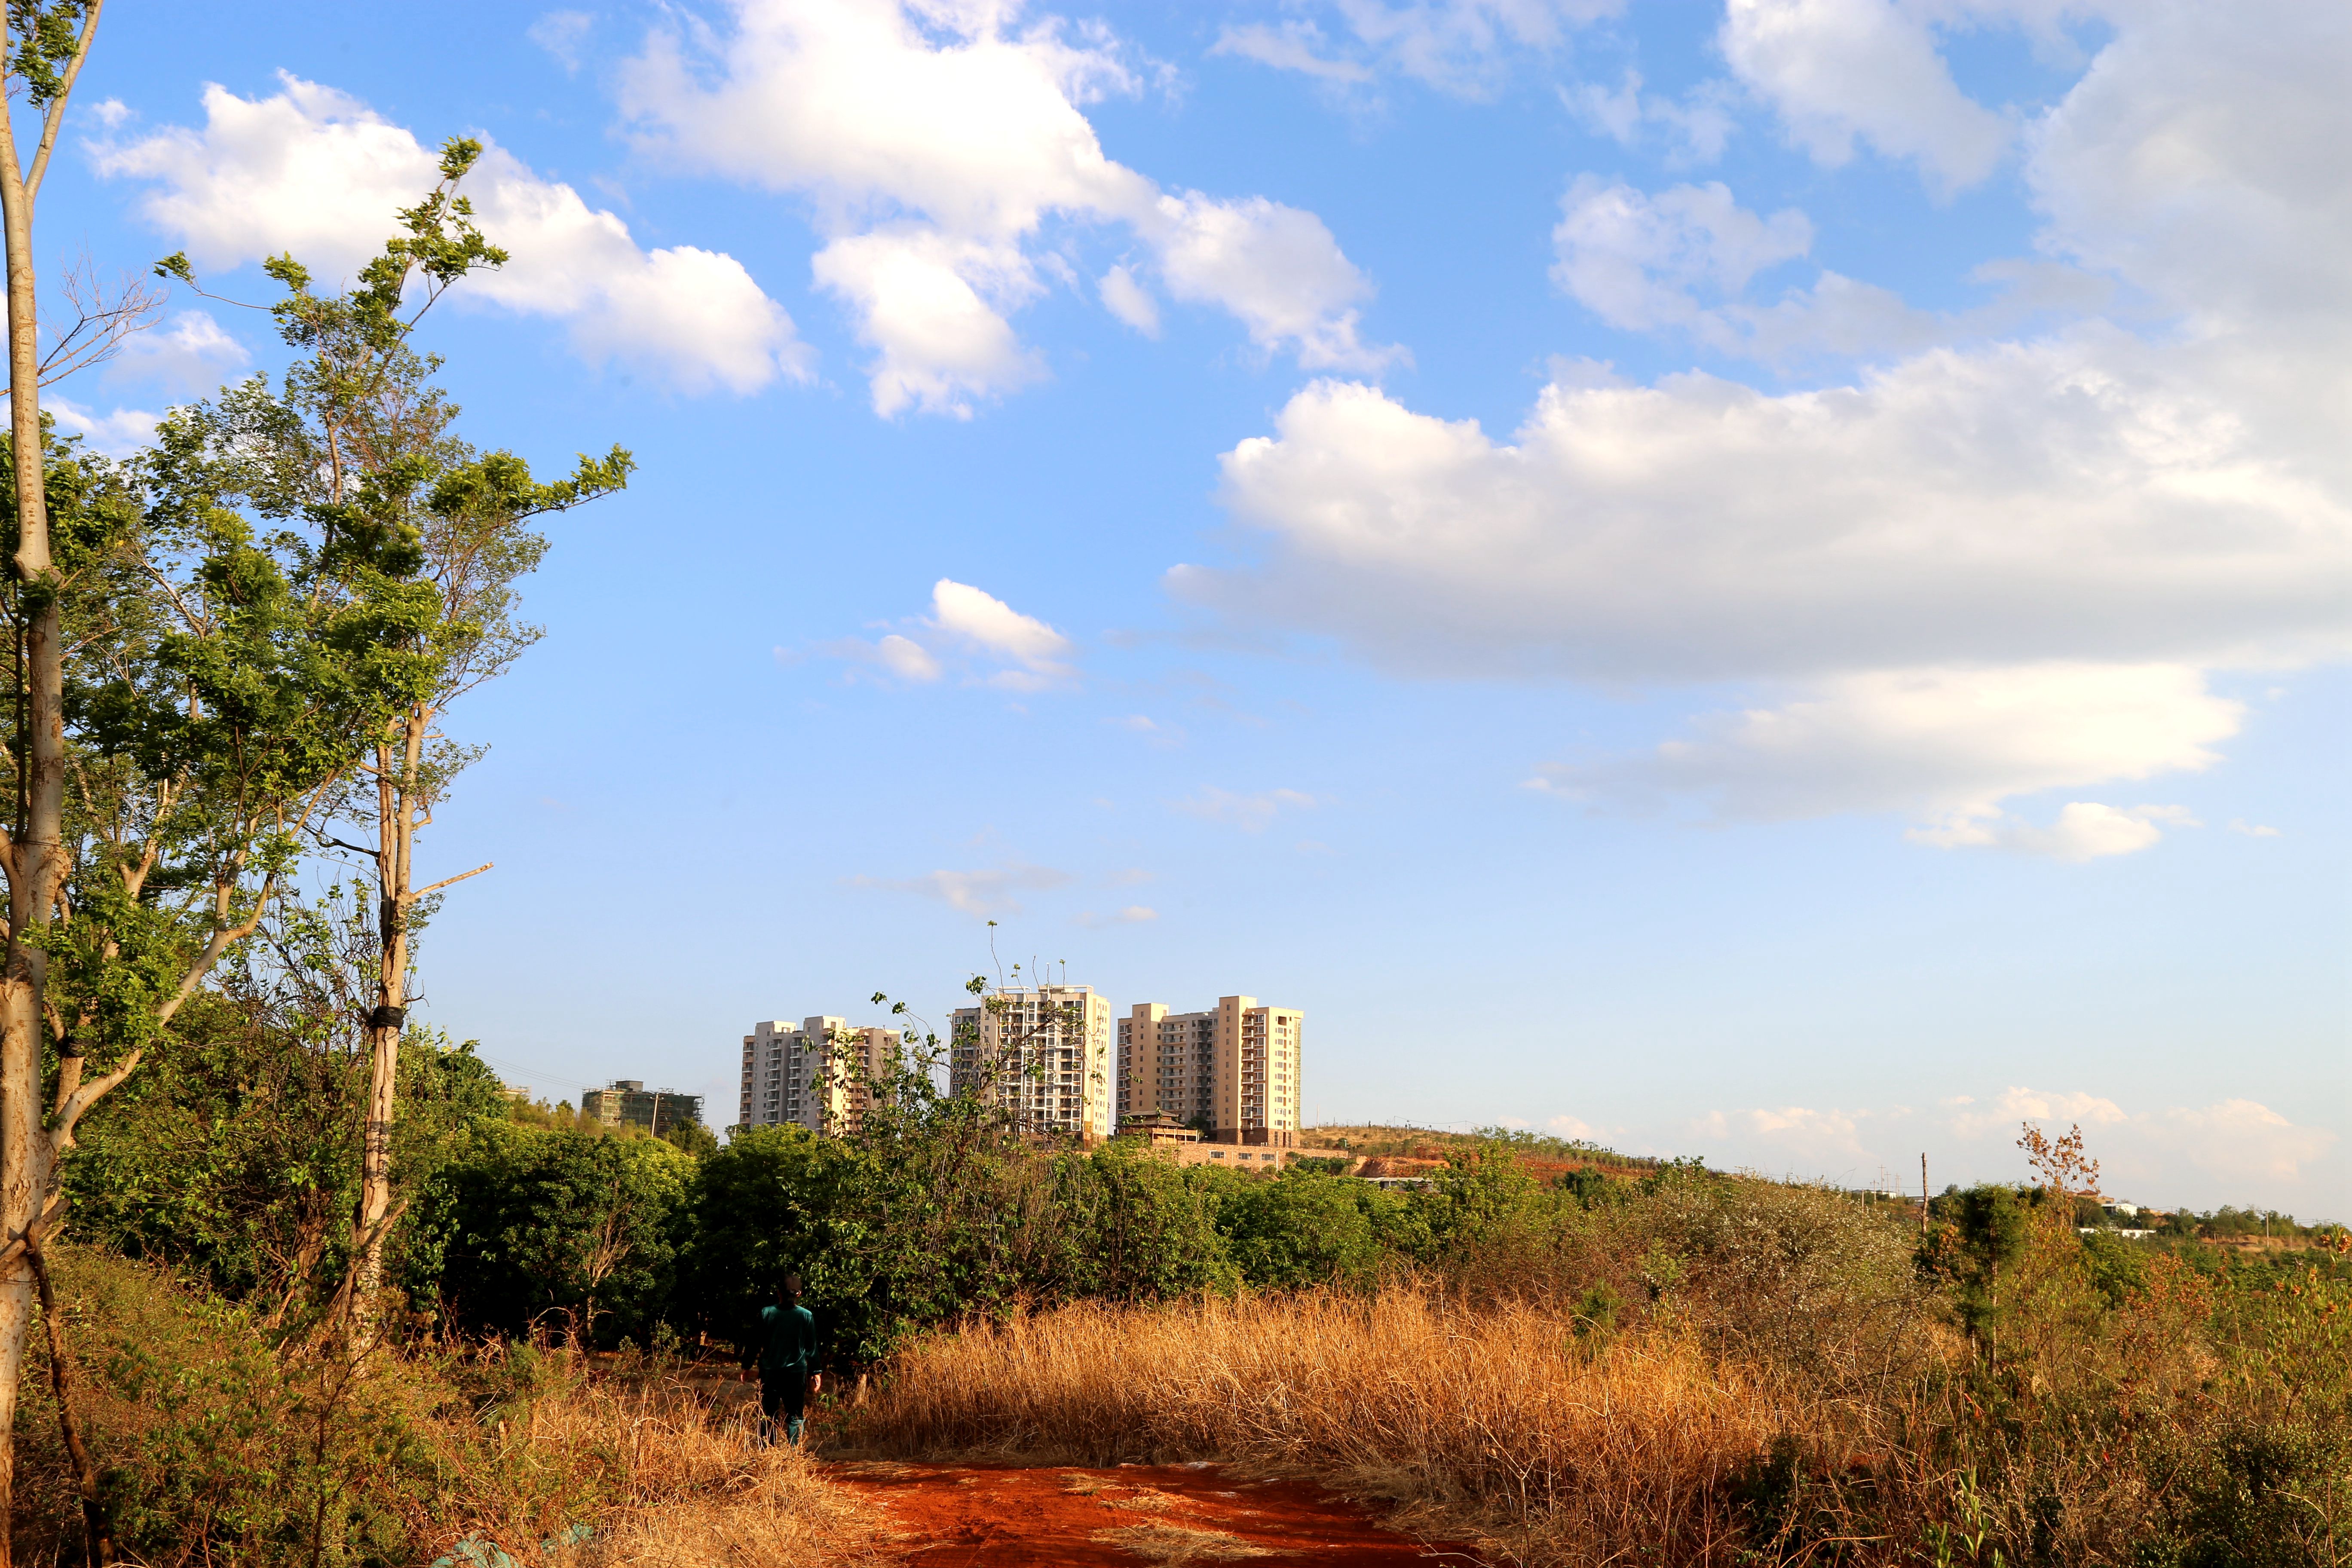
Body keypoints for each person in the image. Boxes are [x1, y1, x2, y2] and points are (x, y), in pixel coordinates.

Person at [755, 1274, 821, 1446]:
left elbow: (755, 1341)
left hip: (769, 1374)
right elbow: (811, 1347)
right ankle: (794, 1456)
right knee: (795, 1416)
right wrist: (816, 1371)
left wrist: (746, 1366)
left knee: (767, 1415)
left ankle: (767, 1454)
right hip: (795, 1374)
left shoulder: (767, 1313)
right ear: (799, 1294)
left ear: (778, 1292)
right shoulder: (806, 1316)